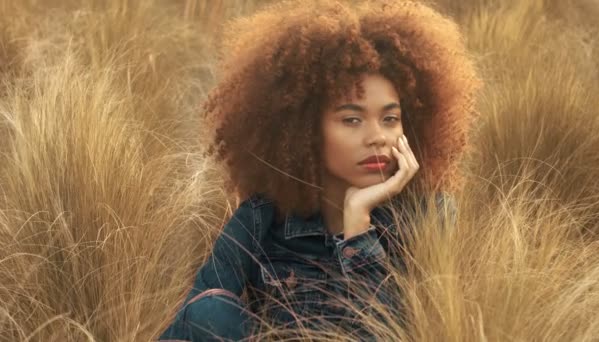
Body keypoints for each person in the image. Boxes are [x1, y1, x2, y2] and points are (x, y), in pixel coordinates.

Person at [158, 0, 479, 340]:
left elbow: (392, 333)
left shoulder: (430, 218)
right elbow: (192, 321)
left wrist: (358, 227)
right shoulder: (261, 219)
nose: (377, 138)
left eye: (390, 119)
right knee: (210, 312)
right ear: (305, 130)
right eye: (352, 120)